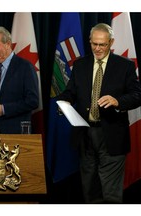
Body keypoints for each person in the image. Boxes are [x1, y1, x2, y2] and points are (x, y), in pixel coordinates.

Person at [57, 23, 141, 203]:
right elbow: (70, 91)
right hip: (85, 135)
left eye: (102, 44)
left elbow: (137, 95)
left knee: (110, 193)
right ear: (89, 41)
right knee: (90, 190)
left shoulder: (124, 65)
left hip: (112, 135)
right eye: (94, 44)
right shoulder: (80, 64)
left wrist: (118, 101)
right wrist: (64, 101)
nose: (97, 48)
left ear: (111, 42)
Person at [0, 26, 39, 134]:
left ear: (8, 44)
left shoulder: (25, 67)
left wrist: (3, 109)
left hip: (13, 133)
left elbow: (32, 101)